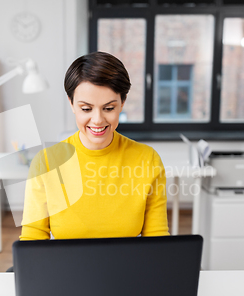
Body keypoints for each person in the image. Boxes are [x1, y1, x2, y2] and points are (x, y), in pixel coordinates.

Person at [20, 51, 169, 240]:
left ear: (122, 103)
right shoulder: (47, 162)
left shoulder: (147, 159)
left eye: (108, 108)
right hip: (67, 268)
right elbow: (33, 237)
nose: (97, 120)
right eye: (86, 109)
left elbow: (156, 238)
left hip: (128, 268)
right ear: (71, 103)